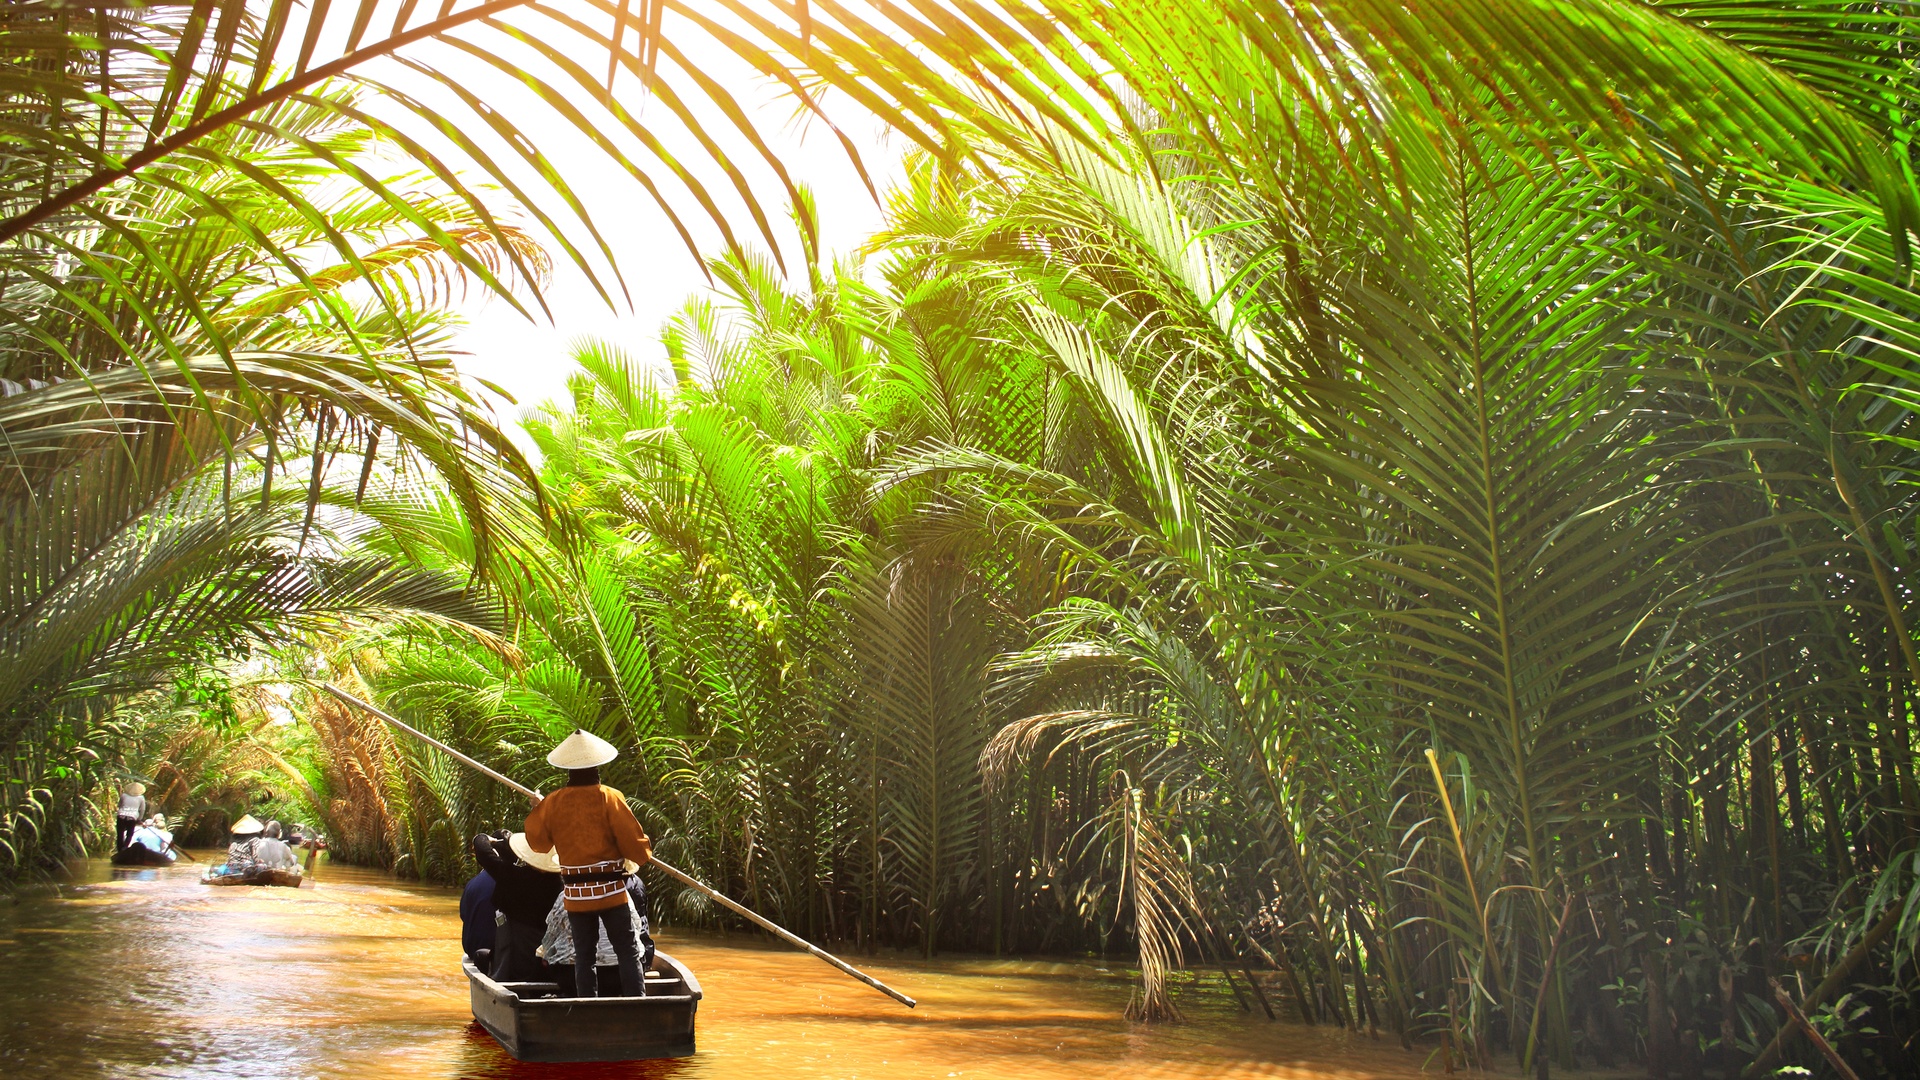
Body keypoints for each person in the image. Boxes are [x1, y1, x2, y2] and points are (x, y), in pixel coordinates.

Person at [523, 728, 652, 998]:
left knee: (584, 955)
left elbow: (539, 843)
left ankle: (586, 1004)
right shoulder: (609, 797)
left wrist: (540, 807)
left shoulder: (554, 802)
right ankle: (636, 1003)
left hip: (576, 895)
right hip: (610, 891)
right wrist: (643, 855)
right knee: (627, 951)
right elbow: (634, 843)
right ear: (597, 766)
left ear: (569, 769)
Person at [471, 830, 563, 981]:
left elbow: (485, 853)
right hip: (545, 955)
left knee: (483, 956)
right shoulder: (559, 883)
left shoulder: (516, 876)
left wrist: (483, 838)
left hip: (516, 953)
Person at [459, 862, 497, 964]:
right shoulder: (505, 882)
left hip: (471, 948)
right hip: (493, 951)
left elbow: (463, 915)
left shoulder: (471, 883)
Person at [114, 783, 147, 852]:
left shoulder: (124, 795)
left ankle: (120, 849)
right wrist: (139, 819)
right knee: (129, 834)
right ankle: (125, 848)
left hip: (121, 815)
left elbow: (119, 805)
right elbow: (142, 809)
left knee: (120, 834)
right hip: (132, 817)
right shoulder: (141, 797)